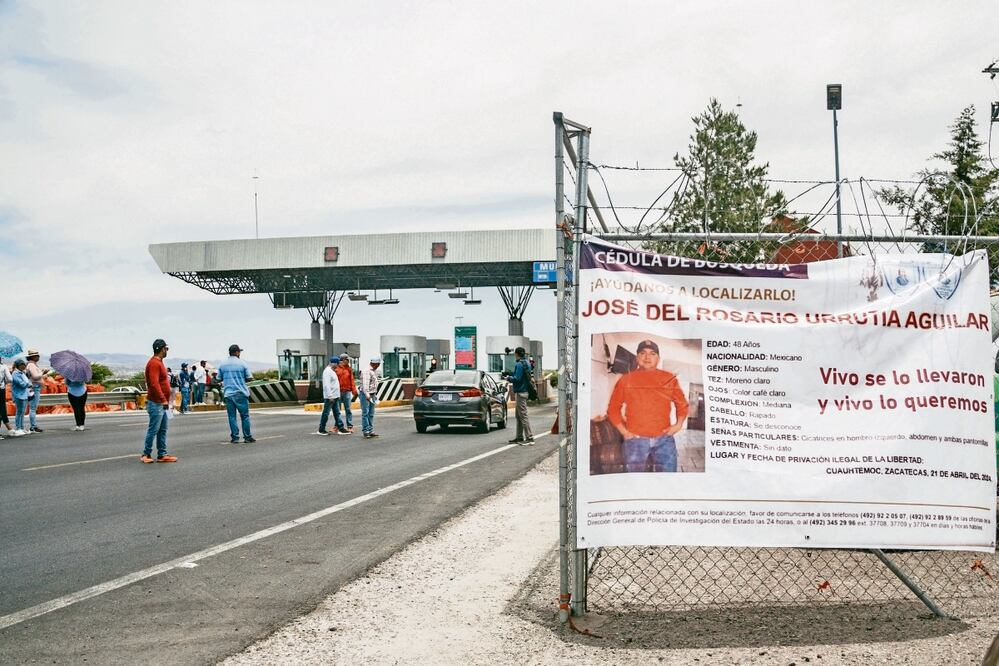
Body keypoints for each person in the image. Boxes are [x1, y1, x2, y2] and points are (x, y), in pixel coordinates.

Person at [606, 339, 689, 473]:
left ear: (658, 358)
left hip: (664, 440)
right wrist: (624, 432)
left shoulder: (669, 378)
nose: (647, 357)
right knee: (634, 481)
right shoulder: (625, 380)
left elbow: (682, 404)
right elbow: (613, 409)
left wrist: (678, 425)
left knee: (668, 480)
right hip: (635, 441)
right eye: (643, 353)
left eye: (652, 353)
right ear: (637, 357)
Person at [140, 338, 178, 463]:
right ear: (162, 349)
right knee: (154, 429)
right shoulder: (154, 364)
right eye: (166, 348)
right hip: (157, 403)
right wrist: (163, 399)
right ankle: (146, 454)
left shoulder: (159, 362)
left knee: (162, 430)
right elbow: (154, 384)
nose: (167, 350)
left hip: (163, 403)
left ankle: (162, 454)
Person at [217, 344, 255, 444]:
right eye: (239, 352)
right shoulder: (243, 364)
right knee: (245, 416)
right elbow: (249, 378)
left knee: (232, 417)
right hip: (241, 393)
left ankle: (235, 437)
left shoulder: (222, 364)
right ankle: (247, 437)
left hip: (228, 394)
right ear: (237, 352)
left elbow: (218, 378)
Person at [504, 347, 535, 445]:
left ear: (516, 354)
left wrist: (508, 378)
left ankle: (529, 437)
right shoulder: (527, 363)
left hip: (520, 393)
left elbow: (517, 378)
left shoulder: (519, 364)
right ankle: (519, 437)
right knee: (519, 416)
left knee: (523, 415)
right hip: (525, 391)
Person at [315, 356, 344, 436]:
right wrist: (330, 396)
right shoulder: (327, 371)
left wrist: (337, 395)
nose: (338, 365)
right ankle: (321, 429)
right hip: (330, 397)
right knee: (326, 413)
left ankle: (341, 427)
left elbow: (334, 384)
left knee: (337, 413)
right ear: (333, 363)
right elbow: (326, 385)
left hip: (335, 396)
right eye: (337, 364)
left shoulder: (332, 371)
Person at [335, 353, 358, 433]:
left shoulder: (349, 369)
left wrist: (354, 391)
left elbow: (352, 380)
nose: (348, 361)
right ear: (343, 360)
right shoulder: (336, 368)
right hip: (338, 392)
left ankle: (350, 426)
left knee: (348, 410)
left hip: (347, 391)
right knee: (337, 410)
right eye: (347, 359)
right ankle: (337, 426)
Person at [358, 357, 381, 439]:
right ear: (374, 364)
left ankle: (370, 430)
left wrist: (375, 395)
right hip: (366, 394)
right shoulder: (367, 371)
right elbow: (365, 384)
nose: (378, 366)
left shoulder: (374, 371)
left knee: (371, 413)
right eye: (378, 364)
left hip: (372, 394)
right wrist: (367, 395)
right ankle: (366, 431)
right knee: (365, 413)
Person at [25, 348, 45, 433]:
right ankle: (33, 427)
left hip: (35, 387)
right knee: (33, 408)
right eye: (37, 355)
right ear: (33, 357)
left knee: (33, 408)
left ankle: (33, 426)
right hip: (35, 387)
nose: (38, 357)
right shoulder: (31, 365)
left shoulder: (31, 364)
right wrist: (43, 372)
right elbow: (35, 376)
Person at [10, 359, 31, 437]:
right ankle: (18, 428)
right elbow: (22, 384)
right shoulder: (15, 373)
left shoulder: (22, 373)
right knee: (19, 412)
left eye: (24, 364)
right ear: (18, 366)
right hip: (18, 395)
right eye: (22, 365)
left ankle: (21, 427)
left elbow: (26, 382)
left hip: (24, 394)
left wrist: (28, 383)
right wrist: (28, 384)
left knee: (22, 412)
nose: (24, 366)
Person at [0, 358, 11, 438]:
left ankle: (9, 428)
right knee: (2, 408)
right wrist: (4, 382)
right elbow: (10, 379)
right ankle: (10, 429)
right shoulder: (3, 367)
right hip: (1, 389)